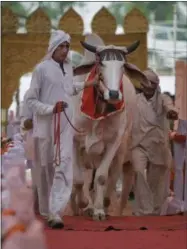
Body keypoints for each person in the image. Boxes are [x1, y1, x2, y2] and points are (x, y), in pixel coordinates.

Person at [25, 30, 98, 228]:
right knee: (47, 168)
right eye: (62, 46)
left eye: (67, 46)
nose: (65, 50)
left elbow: (68, 88)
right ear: (54, 48)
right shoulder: (41, 69)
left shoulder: (68, 67)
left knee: (64, 165)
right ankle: (48, 210)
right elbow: (31, 99)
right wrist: (50, 109)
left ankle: (56, 212)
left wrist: (88, 83)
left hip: (66, 126)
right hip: (46, 127)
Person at [131, 68, 178, 216]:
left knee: (154, 181)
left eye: (149, 82)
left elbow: (170, 107)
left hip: (157, 144)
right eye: (144, 81)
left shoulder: (163, 99)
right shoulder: (134, 99)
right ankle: (142, 209)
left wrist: (172, 112)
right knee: (138, 172)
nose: (146, 85)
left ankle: (153, 211)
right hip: (138, 144)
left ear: (155, 84)